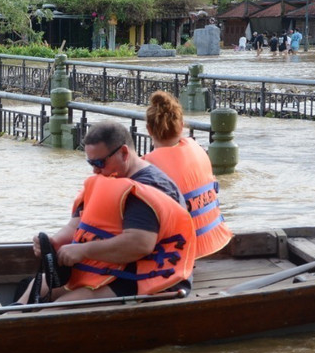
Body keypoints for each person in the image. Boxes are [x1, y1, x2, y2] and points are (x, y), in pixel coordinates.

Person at [18, 122, 195, 305]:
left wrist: (83, 250)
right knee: (38, 286)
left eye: (100, 162)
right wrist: (54, 243)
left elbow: (139, 244)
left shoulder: (148, 189)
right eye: (91, 163)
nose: (95, 170)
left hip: (144, 275)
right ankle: (6, 317)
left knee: (62, 306)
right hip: (109, 266)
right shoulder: (108, 180)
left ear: (124, 153)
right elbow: (77, 224)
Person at [143, 90, 233, 258]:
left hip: (181, 253)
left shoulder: (147, 167)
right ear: (182, 124)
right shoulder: (198, 150)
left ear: (149, 129)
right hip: (213, 240)